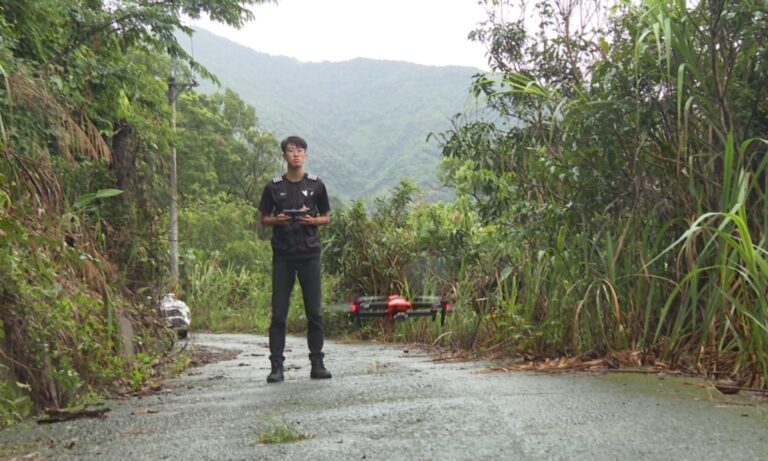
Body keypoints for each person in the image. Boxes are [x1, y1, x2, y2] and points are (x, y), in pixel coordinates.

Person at [259, 135, 332, 383]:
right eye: (291, 150)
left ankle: (317, 363)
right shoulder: (273, 187)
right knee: (279, 313)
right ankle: (277, 367)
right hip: (283, 255)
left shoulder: (316, 185)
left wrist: (312, 220)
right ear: (284, 156)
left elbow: (326, 216)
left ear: (306, 155)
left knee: (315, 312)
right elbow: (264, 218)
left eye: (300, 150)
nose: (296, 154)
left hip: (309, 254)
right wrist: (277, 220)